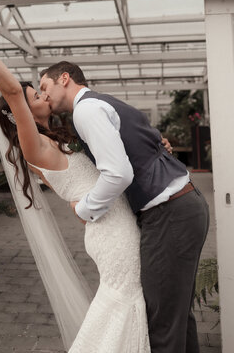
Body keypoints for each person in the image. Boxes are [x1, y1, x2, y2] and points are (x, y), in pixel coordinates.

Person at [0, 22, 150, 352]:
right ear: (22, 113)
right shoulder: (36, 148)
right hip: (110, 231)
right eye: (36, 95)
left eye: (42, 91)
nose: (43, 95)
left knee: (125, 301)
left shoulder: (62, 135)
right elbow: (13, 91)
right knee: (124, 300)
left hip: (113, 221)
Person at [39, 61, 210, 353]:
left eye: (44, 87)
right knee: (178, 317)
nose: (43, 96)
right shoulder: (103, 103)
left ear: (64, 79)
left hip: (169, 213)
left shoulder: (86, 110)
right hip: (183, 205)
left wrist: (85, 209)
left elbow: (118, 173)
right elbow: (147, 141)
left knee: (162, 325)